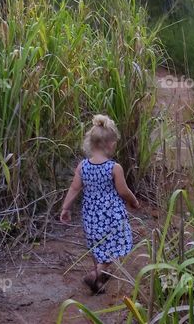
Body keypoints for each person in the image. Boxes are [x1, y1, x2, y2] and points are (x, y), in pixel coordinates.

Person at [59, 114, 141, 294]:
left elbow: (74, 188)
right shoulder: (114, 168)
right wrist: (133, 201)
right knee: (115, 244)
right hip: (111, 215)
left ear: (90, 143)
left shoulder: (83, 166)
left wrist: (65, 208)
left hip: (90, 215)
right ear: (110, 144)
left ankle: (98, 282)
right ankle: (98, 272)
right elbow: (123, 191)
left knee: (97, 246)